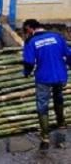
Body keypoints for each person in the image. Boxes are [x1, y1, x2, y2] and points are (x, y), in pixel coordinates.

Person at [22, 19, 71, 149]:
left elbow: (29, 62)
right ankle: (61, 123)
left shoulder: (31, 42)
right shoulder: (57, 37)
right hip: (60, 75)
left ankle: (45, 136)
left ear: (29, 29)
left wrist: (26, 73)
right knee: (58, 96)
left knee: (42, 103)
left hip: (44, 77)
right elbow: (68, 54)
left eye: (26, 32)